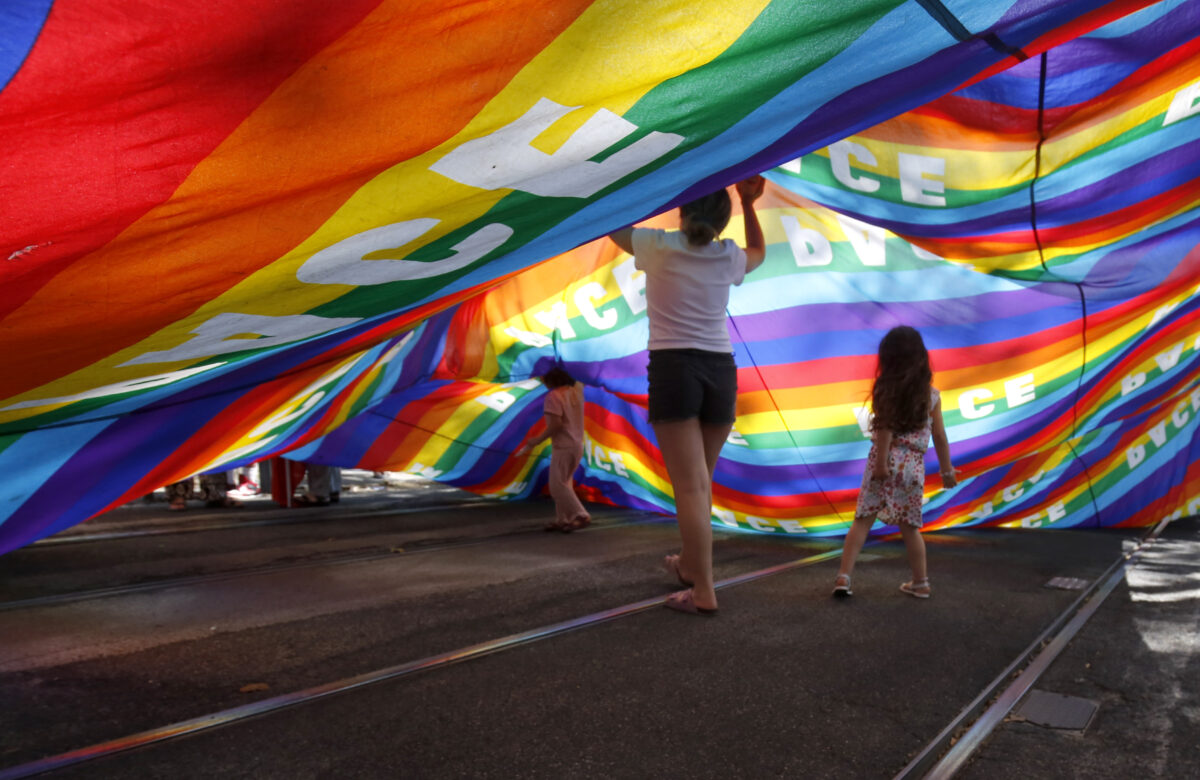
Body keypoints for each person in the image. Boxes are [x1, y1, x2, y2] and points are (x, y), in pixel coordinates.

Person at [607, 176, 767, 616]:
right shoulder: (727, 256)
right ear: (723, 219)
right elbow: (759, 254)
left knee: (691, 489)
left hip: (675, 370)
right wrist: (750, 203)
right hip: (720, 372)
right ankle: (690, 565)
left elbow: (611, 223)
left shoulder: (657, 247)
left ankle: (704, 590)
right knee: (700, 485)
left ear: (681, 212)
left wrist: (656, 184)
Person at [833, 325, 957, 599]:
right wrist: (947, 470)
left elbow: (885, 427)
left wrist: (880, 465)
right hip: (913, 464)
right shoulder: (931, 395)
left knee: (863, 519)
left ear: (888, 358)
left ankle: (844, 577)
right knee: (910, 527)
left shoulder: (885, 389)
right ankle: (920, 582)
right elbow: (939, 436)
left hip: (885, 458)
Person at [516, 366, 590, 532]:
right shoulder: (576, 390)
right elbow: (583, 375)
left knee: (557, 486)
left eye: (543, 376)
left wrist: (536, 440)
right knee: (565, 482)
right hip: (577, 444)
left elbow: (556, 425)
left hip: (563, 445)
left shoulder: (553, 396)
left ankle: (580, 514)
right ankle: (562, 519)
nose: (541, 379)